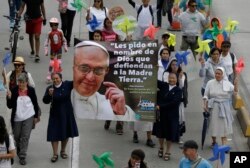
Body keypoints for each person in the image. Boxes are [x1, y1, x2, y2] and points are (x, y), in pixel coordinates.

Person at [72, 40, 136, 121]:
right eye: (84, 68)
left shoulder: (111, 103)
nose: (90, 77)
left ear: (106, 71)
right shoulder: (62, 97)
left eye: (98, 70)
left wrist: (121, 112)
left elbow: (136, 121)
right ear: (74, 67)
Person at [43, 72, 79, 163]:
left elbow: (78, 81)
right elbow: (45, 101)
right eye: (53, 79)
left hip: (66, 113)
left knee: (65, 132)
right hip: (55, 114)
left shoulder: (67, 84)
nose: (55, 80)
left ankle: (63, 151)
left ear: (61, 78)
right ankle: (55, 154)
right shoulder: (50, 88)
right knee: (54, 134)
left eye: (57, 78)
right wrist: (49, 95)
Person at [6, 73, 40, 165]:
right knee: (17, 136)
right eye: (19, 82)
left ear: (26, 82)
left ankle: (22, 156)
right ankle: (19, 147)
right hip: (17, 117)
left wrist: (36, 116)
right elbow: (10, 106)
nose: (20, 84)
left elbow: (35, 104)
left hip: (29, 116)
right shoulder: (14, 90)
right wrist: (9, 97)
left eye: (22, 82)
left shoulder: (31, 91)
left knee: (25, 136)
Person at [203, 67, 237, 147]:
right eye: (216, 73)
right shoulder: (210, 83)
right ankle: (214, 142)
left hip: (224, 107)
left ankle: (224, 145)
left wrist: (236, 84)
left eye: (219, 74)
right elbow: (206, 95)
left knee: (224, 126)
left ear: (223, 74)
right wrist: (205, 105)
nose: (217, 75)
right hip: (214, 106)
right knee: (213, 124)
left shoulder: (227, 83)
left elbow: (235, 92)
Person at [153, 73, 182, 161]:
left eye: (173, 78)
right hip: (161, 114)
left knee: (169, 134)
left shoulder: (178, 90)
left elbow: (174, 103)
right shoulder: (164, 85)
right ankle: (161, 147)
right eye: (170, 78)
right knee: (160, 133)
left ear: (176, 79)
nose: (171, 80)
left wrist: (161, 106)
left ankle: (168, 151)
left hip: (172, 115)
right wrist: (155, 68)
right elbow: (154, 80)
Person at [162, 57, 188, 144]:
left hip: (178, 100)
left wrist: (180, 78)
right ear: (170, 65)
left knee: (180, 118)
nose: (174, 66)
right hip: (168, 100)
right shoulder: (166, 73)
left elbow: (181, 87)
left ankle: (179, 136)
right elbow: (167, 84)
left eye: (176, 65)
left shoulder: (182, 74)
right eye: (173, 64)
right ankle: (168, 136)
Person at [44, 17, 68, 83]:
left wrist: (65, 46)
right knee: (51, 63)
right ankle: (49, 75)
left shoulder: (60, 31)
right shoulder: (49, 33)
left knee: (59, 62)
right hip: (53, 49)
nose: (54, 26)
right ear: (50, 25)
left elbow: (63, 39)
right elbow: (46, 42)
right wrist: (46, 50)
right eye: (52, 25)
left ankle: (59, 76)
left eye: (55, 25)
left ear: (57, 25)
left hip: (59, 48)